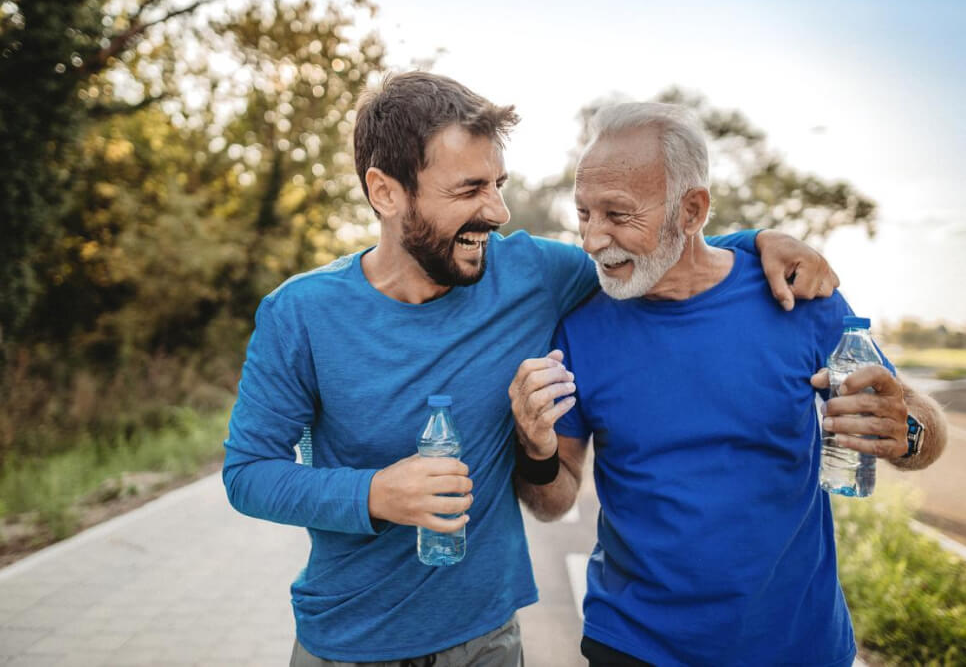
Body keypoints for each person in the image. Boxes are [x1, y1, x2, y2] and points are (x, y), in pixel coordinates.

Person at [222, 72, 841, 667]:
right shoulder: (299, 314)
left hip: (484, 640)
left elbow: (659, 250)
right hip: (345, 639)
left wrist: (760, 242)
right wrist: (374, 493)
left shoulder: (532, 276)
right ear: (386, 192)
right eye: (469, 190)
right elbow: (248, 473)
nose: (498, 211)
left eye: (498, 183)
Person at [508, 102, 948, 667]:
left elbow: (922, 431)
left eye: (617, 215)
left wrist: (906, 432)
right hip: (633, 646)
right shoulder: (579, 326)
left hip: (799, 647)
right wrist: (537, 451)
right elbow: (554, 499)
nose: (593, 238)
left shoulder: (797, 297)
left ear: (691, 211)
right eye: (584, 213)